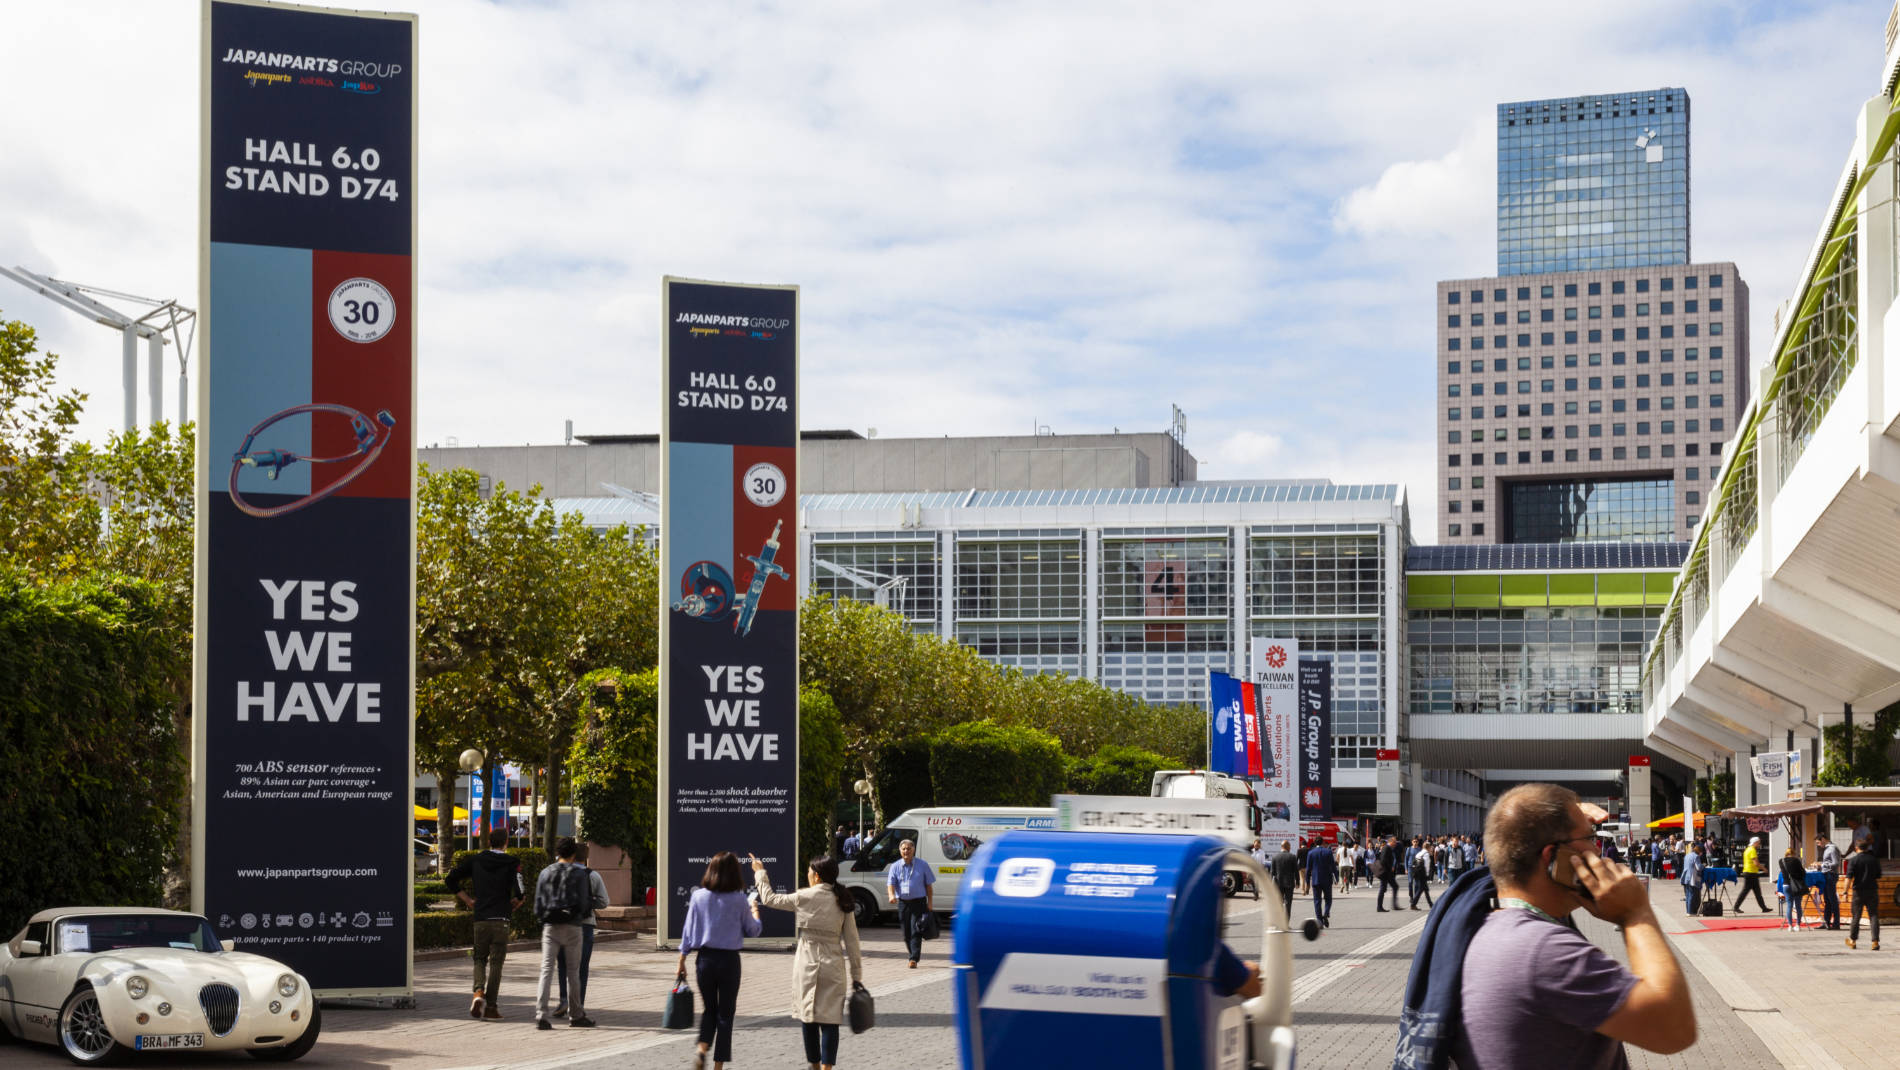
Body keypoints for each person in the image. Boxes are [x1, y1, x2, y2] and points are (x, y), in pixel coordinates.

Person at [1439, 784, 1696, 1066]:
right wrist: (1636, 914)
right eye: (1590, 837)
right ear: (1552, 857)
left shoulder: (1486, 927)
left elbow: (1518, 843)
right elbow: (1672, 1029)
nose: (1599, 850)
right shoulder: (1544, 951)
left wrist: (1563, 820)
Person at [749, 853, 864, 1070]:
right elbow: (852, 942)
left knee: (808, 1016)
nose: (808, 874)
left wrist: (760, 873)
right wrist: (857, 976)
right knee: (830, 1021)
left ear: (818, 876)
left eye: (810, 871)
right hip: (833, 965)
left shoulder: (804, 896)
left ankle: (814, 1064)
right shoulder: (843, 899)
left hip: (807, 962)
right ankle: (827, 1068)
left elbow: (770, 899)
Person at [677, 852, 762, 1069]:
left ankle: (702, 1047)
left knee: (709, 1009)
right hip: (729, 961)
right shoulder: (739, 899)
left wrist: (682, 960)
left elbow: (688, 931)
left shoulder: (698, 897)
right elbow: (753, 931)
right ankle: (718, 1066)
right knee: (726, 1013)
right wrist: (755, 913)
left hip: (704, 959)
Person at [445, 826, 525, 1020]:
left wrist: (468, 900)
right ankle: (491, 1007)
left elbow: (450, 879)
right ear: (506, 842)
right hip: (502, 919)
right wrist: (515, 903)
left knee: (480, 958)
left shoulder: (476, 860)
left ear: (489, 842)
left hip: (481, 917)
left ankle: (478, 992)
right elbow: (520, 891)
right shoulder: (513, 862)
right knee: (497, 964)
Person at [534, 838, 606, 1029]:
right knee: (574, 972)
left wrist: (544, 920)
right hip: (574, 927)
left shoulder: (545, 872)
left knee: (546, 970)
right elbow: (583, 902)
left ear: (557, 853)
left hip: (550, 926)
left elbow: (538, 903)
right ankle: (576, 1014)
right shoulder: (579, 874)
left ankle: (541, 1014)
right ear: (573, 854)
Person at [552, 842, 610, 1020]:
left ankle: (563, 1000)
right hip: (585, 924)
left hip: (561, 924)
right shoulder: (592, 875)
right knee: (580, 967)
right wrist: (588, 902)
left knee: (562, 964)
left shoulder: (556, 872)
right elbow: (604, 902)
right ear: (586, 857)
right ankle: (578, 1005)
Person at [885, 838, 935, 968]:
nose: (906, 851)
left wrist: (930, 903)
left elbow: (929, 886)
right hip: (903, 903)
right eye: (904, 849)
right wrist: (891, 895)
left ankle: (913, 958)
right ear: (900, 851)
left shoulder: (922, 865)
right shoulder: (895, 866)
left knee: (915, 930)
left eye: (909, 848)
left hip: (919, 902)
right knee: (906, 932)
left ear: (913, 850)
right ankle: (912, 953)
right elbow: (891, 884)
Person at [1846, 838, 1882, 951]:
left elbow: (1849, 877)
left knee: (1856, 916)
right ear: (1867, 848)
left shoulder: (1853, 860)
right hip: (1872, 890)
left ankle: (1853, 940)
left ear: (1856, 848)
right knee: (1873, 916)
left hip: (1858, 892)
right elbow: (1878, 876)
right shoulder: (1874, 860)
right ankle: (1875, 942)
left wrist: (1845, 891)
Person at [1306, 835, 1337, 927]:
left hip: (1316, 880)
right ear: (1323, 842)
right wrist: (1336, 877)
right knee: (1328, 899)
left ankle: (1319, 921)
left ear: (1315, 843)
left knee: (1317, 900)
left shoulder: (1311, 853)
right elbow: (1333, 866)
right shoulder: (1328, 852)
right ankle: (1326, 913)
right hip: (1327, 879)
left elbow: (1308, 869)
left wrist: (1307, 881)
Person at [1777, 844, 1809, 932]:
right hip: (1796, 885)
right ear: (1794, 853)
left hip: (1786, 885)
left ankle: (1790, 926)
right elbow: (1803, 873)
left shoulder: (1781, 861)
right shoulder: (1796, 860)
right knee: (1798, 905)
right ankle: (1798, 925)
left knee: (1789, 906)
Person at [1816, 833, 1843, 930]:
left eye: (1818, 842)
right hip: (1826, 875)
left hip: (1830, 875)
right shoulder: (1827, 849)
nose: (1818, 845)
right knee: (1827, 900)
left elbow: (1835, 863)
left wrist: (1822, 865)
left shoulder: (1832, 848)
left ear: (1823, 839)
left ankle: (1836, 923)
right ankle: (1826, 922)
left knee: (1832, 900)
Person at [1737, 836, 1771, 912]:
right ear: (1755, 843)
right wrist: (1764, 868)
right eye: (1758, 843)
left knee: (1757, 892)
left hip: (1749, 872)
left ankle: (1764, 908)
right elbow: (1756, 863)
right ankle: (1736, 907)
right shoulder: (1752, 850)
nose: (1759, 844)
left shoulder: (1747, 850)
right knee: (1746, 892)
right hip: (1751, 873)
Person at [1269, 840, 1299, 919]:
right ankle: (1286, 923)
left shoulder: (1275, 857)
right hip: (1289, 883)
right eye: (1289, 846)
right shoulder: (1292, 857)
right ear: (1287, 847)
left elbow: (1272, 872)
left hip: (1278, 883)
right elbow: (1296, 870)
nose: (1290, 848)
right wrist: (1298, 882)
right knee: (1288, 904)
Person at [1376, 836, 1402, 912]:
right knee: (1383, 889)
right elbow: (1383, 860)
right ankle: (1379, 907)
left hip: (1388, 873)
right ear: (1390, 842)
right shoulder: (1386, 848)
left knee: (1395, 886)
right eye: (1394, 842)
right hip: (1385, 873)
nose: (1395, 844)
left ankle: (1394, 905)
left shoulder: (1389, 848)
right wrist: (1389, 867)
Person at [1408, 836, 1435, 910]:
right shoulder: (1426, 854)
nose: (1431, 849)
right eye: (1430, 848)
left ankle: (1431, 904)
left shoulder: (1420, 853)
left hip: (1416, 873)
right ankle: (1413, 904)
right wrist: (1427, 875)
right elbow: (1426, 866)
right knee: (1421, 889)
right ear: (1428, 848)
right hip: (1422, 874)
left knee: (1425, 889)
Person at [1680, 839, 1703, 917]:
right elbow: (1699, 867)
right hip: (1692, 878)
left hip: (1685, 876)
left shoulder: (1687, 855)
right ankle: (1691, 912)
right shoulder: (1696, 856)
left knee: (1688, 895)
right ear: (1699, 851)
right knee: (1692, 895)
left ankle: (1688, 911)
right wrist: (1704, 865)